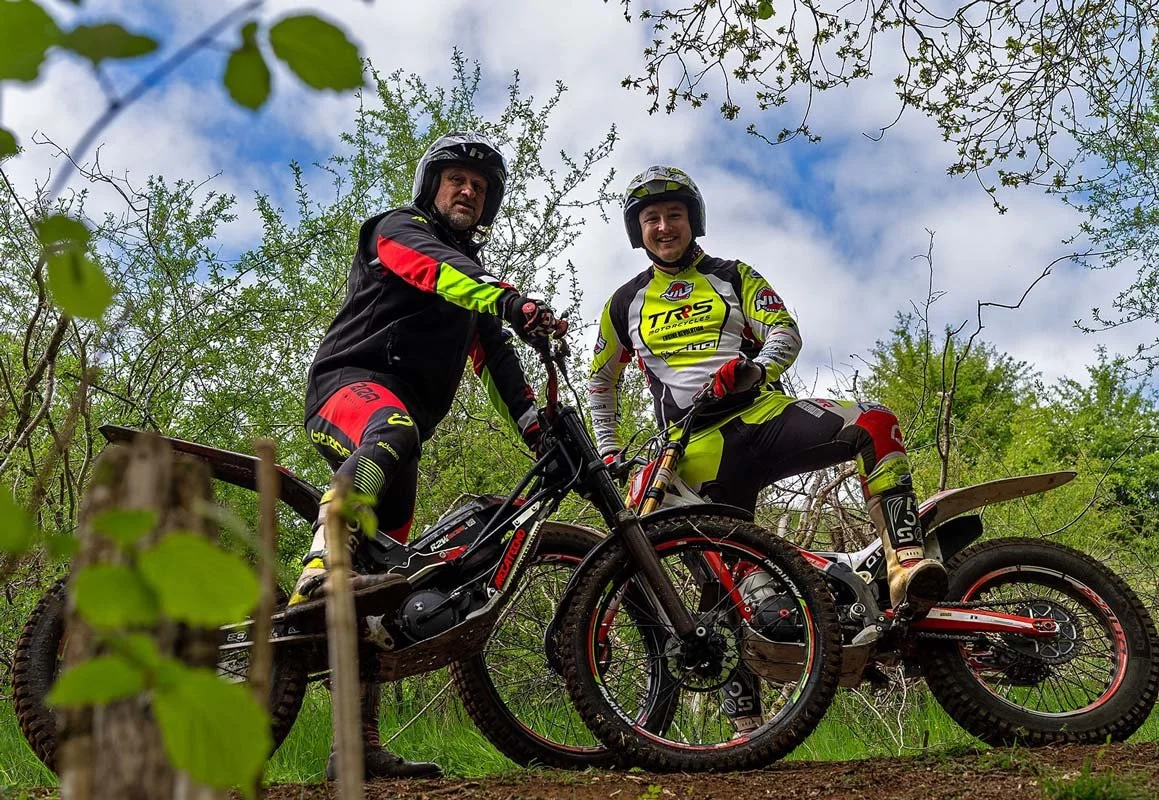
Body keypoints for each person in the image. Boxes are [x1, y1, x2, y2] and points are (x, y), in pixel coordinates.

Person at [292, 131, 564, 780]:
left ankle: (355, 748)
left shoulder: (469, 292)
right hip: (349, 392)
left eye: (480, 185)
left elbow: (499, 368)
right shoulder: (398, 229)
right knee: (392, 431)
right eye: (455, 179)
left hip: (400, 441)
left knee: (381, 594)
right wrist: (507, 295)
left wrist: (542, 434)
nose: (467, 189)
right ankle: (313, 569)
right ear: (431, 187)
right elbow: (432, 270)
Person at [588, 165, 947, 616]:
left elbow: (784, 332)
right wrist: (607, 449)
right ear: (637, 231)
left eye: (674, 214)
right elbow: (602, 380)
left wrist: (755, 370)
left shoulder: (733, 275)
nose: (664, 227)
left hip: (764, 416)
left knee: (875, 422)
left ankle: (906, 567)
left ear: (692, 220)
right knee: (747, 610)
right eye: (651, 218)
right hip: (696, 451)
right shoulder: (624, 302)